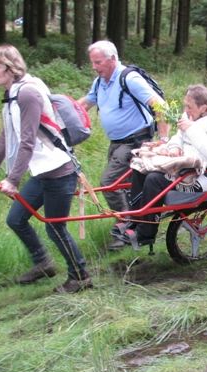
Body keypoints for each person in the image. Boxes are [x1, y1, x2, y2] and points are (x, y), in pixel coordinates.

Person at [0, 45, 92, 293]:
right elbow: (7, 136)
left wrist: (13, 180)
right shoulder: (12, 95)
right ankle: (44, 263)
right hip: (41, 173)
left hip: (59, 171)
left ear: (10, 68)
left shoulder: (27, 93)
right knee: (16, 219)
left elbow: (26, 140)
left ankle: (80, 276)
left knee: (54, 226)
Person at [77, 40, 170, 249]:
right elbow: (86, 103)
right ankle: (134, 229)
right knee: (128, 187)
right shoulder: (100, 81)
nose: (94, 67)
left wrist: (163, 140)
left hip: (136, 141)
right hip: (117, 143)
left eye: (98, 62)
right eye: (93, 62)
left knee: (109, 183)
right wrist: (61, 112)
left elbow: (159, 105)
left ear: (112, 58)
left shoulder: (129, 78)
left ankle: (127, 226)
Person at [115, 84, 207, 248]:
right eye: (185, 105)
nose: (186, 110)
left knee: (154, 180)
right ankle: (135, 221)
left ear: (204, 107)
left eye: (189, 106)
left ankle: (146, 233)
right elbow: (179, 137)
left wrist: (190, 129)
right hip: (184, 168)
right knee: (140, 170)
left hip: (203, 176)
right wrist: (174, 147)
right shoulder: (193, 115)